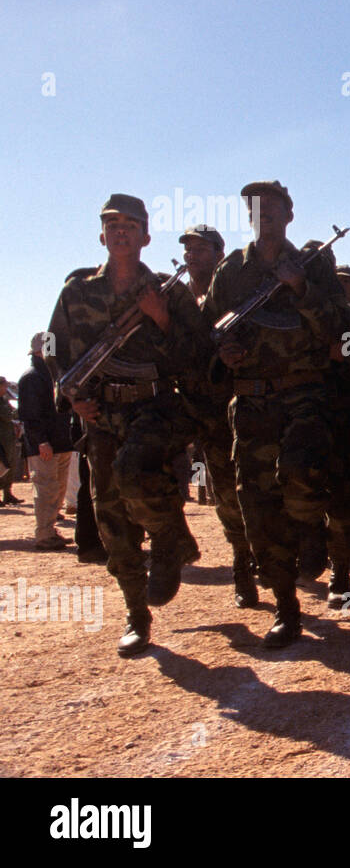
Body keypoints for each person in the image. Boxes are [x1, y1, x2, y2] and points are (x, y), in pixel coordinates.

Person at [47, 194, 208, 656]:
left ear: (146, 236)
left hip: (153, 406)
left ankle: (169, 538)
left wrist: (161, 319)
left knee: (135, 473)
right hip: (100, 412)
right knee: (111, 518)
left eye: (130, 224)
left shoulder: (169, 292)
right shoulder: (76, 292)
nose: (120, 231)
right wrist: (71, 394)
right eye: (112, 224)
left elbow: (198, 358)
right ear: (101, 235)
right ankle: (137, 615)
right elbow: (54, 349)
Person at [204, 180, 348, 646]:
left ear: (289, 213)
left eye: (273, 207)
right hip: (251, 400)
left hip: (303, 391)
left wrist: (301, 287)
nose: (264, 215)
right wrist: (223, 352)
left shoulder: (313, 264)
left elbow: (341, 330)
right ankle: (286, 607)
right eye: (255, 208)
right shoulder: (231, 271)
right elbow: (211, 329)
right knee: (259, 507)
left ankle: (312, 529)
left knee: (304, 476)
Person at [179, 224, 259, 607]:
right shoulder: (177, 299)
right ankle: (242, 559)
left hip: (242, 406)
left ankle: (263, 552)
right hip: (199, 410)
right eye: (188, 249)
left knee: (254, 488)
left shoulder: (235, 292)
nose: (191, 255)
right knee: (225, 492)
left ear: (218, 254)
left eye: (200, 249)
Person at [18, 332, 76, 549]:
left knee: (57, 489)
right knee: (46, 489)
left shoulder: (53, 376)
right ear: (40, 351)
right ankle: (44, 535)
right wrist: (41, 441)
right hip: (45, 445)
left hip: (60, 442)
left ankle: (50, 530)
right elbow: (30, 415)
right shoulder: (32, 378)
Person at [0, 376, 21, 505]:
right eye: (4, 386)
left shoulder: (3, 400)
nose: (6, 388)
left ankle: (8, 494)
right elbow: (8, 415)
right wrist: (21, 408)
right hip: (1, 439)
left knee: (11, 465)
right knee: (2, 466)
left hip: (8, 438)